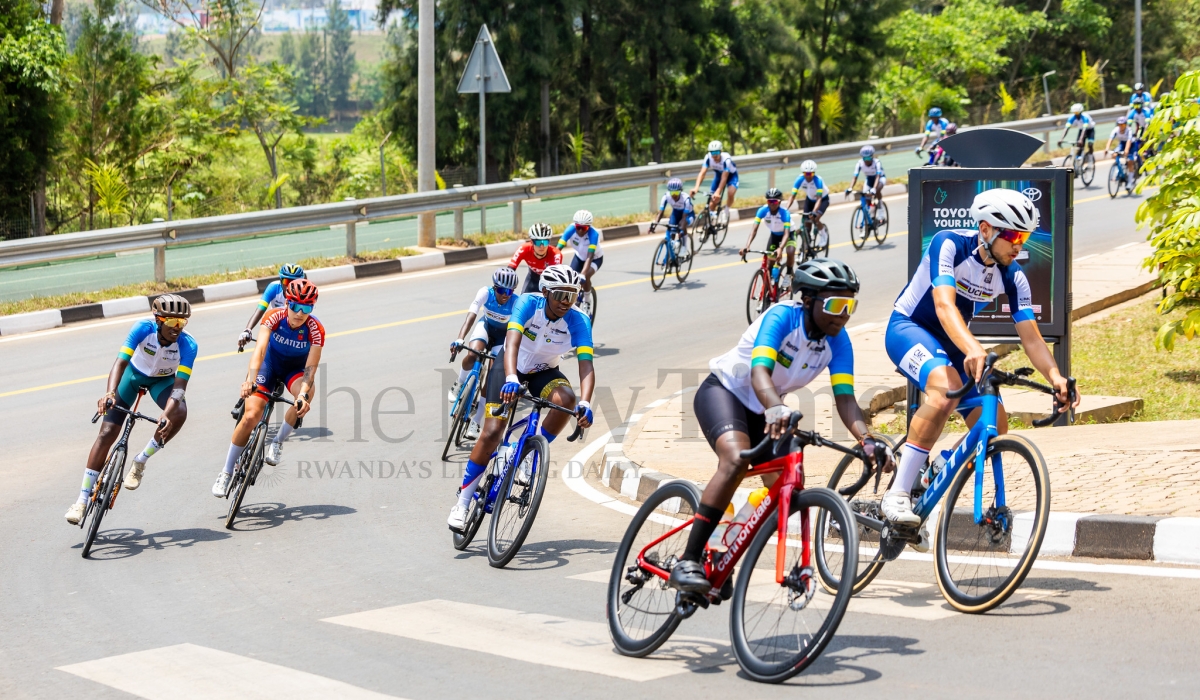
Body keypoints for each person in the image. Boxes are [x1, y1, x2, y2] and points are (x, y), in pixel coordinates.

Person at [667, 258, 893, 593]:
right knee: (735, 459)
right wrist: (775, 408)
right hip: (725, 393)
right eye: (835, 304)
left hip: (768, 409)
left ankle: (723, 542)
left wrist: (868, 439)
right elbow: (760, 372)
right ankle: (689, 559)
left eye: (851, 305)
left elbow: (845, 399)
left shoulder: (838, 342)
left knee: (788, 488)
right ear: (808, 301)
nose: (844, 314)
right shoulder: (782, 317)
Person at [883, 188, 1080, 528]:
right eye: (1014, 236)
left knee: (994, 425)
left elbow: (1031, 337)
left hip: (955, 341)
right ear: (986, 229)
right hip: (909, 328)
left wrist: (1056, 377)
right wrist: (973, 347)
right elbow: (944, 306)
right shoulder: (948, 244)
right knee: (945, 390)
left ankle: (936, 471)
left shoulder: (1012, 275)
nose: (1020, 246)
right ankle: (897, 493)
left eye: (1025, 236)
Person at [447, 265, 596, 531]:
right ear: (545, 292)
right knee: (492, 432)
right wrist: (512, 377)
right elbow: (512, 342)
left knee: (567, 400)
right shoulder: (528, 303)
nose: (566, 302)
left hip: (544, 371)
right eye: (560, 295)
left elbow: (586, 364)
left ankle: (526, 453)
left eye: (571, 296)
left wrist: (586, 402)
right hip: (509, 365)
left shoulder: (579, 319)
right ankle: (463, 503)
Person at [65, 295, 197, 524]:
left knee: (180, 412)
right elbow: (120, 362)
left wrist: (166, 414)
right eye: (172, 323)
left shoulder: (189, 345)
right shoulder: (142, 328)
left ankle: (140, 461)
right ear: (158, 320)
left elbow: (179, 388)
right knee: (106, 434)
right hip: (133, 376)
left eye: (182, 323)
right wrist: (109, 393)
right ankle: (81, 501)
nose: (177, 328)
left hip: (163, 382)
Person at [213, 279, 324, 496]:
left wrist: (301, 395)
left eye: (307, 308)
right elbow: (260, 350)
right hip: (269, 366)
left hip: (295, 371)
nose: (300, 313)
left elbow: (311, 368)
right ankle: (226, 472)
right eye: (295, 306)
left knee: (308, 395)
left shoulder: (315, 329)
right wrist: (250, 380)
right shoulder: (273, 317)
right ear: (286, 303)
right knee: (251, 416)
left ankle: (278, 441)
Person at [448, 267, 519, 440]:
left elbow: (518, 330)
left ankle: (476, 421)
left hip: (503, 337)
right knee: (473, 354)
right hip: (486, 327)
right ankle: (459, 383)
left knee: (492, 379)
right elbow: (470, 316)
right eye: (502, 290)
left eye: (510, 291)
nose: (506, 295)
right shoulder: (485, 293)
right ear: (495, 288)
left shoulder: (516, 302)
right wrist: (460, 339)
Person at [238, 264, 305, 351]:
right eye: (286, 282)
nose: (290, 286)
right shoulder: (273, 288)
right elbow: (260, 309)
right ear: (280, 281)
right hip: (277, 326)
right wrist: (248, 330)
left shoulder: (305, 293)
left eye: (294, 282)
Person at [739, 188, 795, 287]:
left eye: (775, 201)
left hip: (788, 234)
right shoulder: (762, 210)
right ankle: (769, 293)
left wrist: (781, 248)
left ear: (779, 202)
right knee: (770, 263)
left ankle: (789, 274)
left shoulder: (784, 213)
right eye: (770, 201)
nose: (772, 204)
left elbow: (786, 233)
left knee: (790, 251)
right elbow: (754, 230)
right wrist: (747, 246)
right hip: (774, 235)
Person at [785, 160, 829, 250]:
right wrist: (786, 209)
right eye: (806, 174)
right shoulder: (799, 179)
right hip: (809, 200)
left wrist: (814, 212)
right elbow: (792, 196)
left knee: (815, 218)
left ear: (814, 173)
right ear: (803, 173)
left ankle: (823, 234)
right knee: (806, 222)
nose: (808, 176)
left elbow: (819, 198)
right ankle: (807, 241)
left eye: (811, 174)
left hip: (822, 200)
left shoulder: (818, 180)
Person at [557, 210, 603, 293]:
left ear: (589, 226)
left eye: (584, 228)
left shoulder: (593, 234)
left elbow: (590, 256)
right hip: (579, 257)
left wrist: (583, 274)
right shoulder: (570, 230)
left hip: (595, 259)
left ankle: (587, 298)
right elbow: (557, 250)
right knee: (570, 280)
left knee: (585, 277)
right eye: (578, 227)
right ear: (575, 225)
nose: (580, 230)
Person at [508, 223, 562, 294]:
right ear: (532, 242)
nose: (542, 246)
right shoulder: (524, 249)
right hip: (532, 278)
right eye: (538, 242)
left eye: (545, 242)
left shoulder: (556, 254)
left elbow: (555, 278)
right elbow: (510, 270)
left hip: (548, 281)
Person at [650, 177, 694, 260]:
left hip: (688, 215)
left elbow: (684, 218)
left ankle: (684, 247)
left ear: (680, 191)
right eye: (672, 192)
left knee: (681, 225)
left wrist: (681, 229)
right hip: (676, 213)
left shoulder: (686, 199)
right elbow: (660, 213)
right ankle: (671, 255)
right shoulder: (666, 196)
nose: (674, 195)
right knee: (671, 233)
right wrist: (654, 225)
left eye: (677, 192)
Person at [689, 140, 739, 213]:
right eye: (712, 153)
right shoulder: (708, 157)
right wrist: (696, 187)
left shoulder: (726, 159)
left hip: (731, 176)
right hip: (718, 176)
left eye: (717, 152)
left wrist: (718, 192)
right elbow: (702, 173)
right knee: (712, 201)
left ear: (721, 151)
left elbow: (724, 178)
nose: (714, 155)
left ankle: (727, 210)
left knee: (730, 193)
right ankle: (712, 218)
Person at [847, 145, 887, 217]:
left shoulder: (877, 162)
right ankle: (872, 211)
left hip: (880, 179)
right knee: (866, 196)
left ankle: (881, 210)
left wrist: (874, 188)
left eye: (868, 158)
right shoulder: (859, 163)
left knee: (877, 191)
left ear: (872, 157)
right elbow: (855, 177)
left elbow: (878, 176)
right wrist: (850, 188)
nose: (866, 160)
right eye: (864, 158)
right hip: (869, 179)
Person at [1104, 116, 1136, 186]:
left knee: (1130, 162)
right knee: (1114, 154)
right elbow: (1110, 139)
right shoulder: (1115, 130)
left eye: (1123, 125)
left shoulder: (1129, 130)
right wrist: (1107, 148)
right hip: (1122, 143)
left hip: (1131, 144)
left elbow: (1129, 141)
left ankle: (1130, 182)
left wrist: (1126, 150)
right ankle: (1119, 169)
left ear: (1126, 125)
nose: (1121, 126)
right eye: (1119, 125)